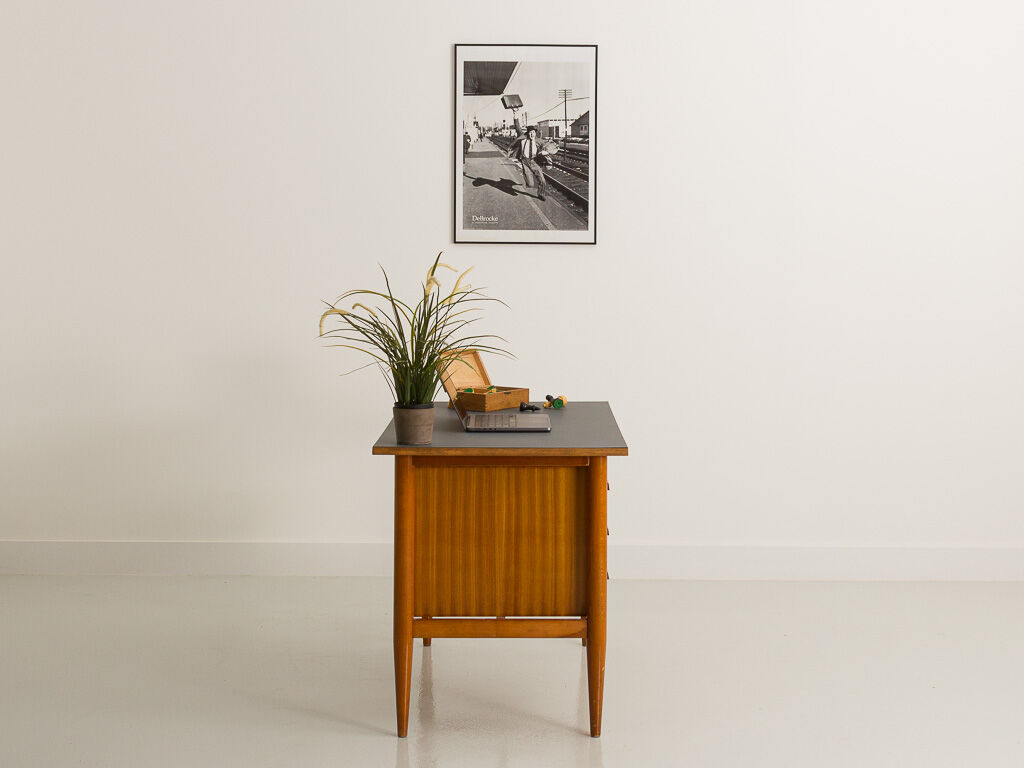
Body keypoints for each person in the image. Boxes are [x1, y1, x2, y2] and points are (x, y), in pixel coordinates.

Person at [506, 125, 548, 202]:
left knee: (542, 180)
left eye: (533, 132)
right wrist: (515, 117)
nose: (532, 134)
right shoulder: (523, 140)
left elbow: (545, 146)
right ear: (528, 133)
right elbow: (518, 129)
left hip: (535, 161)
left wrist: (545, 151)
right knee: (530, 184)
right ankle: (529, 180)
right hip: (525, 162)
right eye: (530, 132)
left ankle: (541, 194)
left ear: (535, 133)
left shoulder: (538, 141)